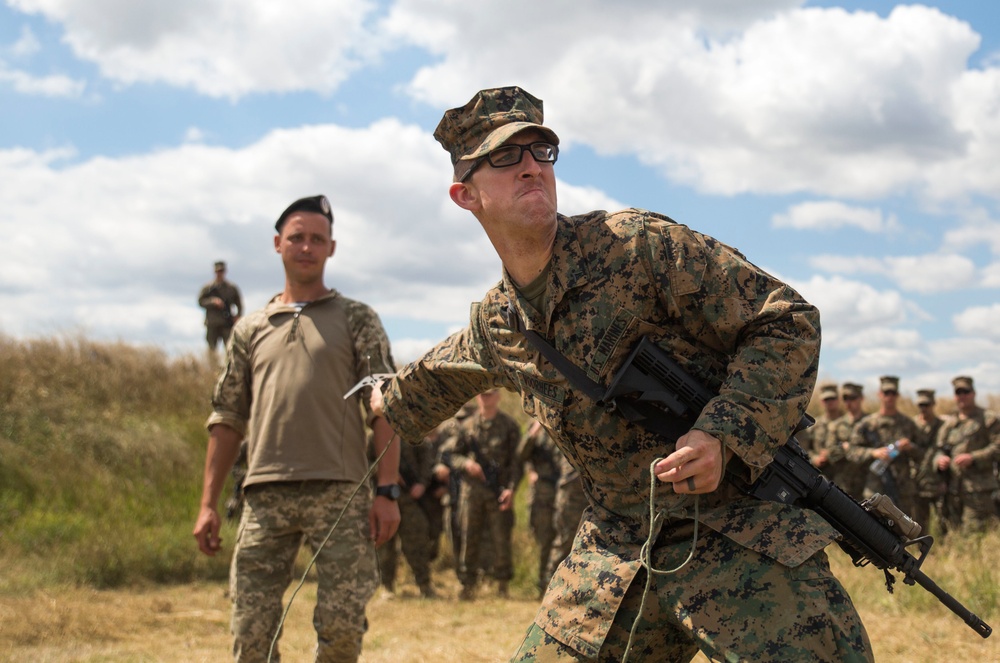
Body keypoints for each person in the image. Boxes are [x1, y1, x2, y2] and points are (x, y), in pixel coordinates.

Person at [374, 86, 871, 660]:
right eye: (505, 157)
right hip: (616, 552)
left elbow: (785, 322)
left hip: (738, 530)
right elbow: (411, 393)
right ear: (466, 195)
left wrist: (721, 435)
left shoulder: (635, 247)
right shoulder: (498, 325)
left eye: (541, 151)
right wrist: (368, 417)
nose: (532, 166)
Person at [192, 194, 401, 663]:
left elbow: (385, 407)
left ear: (331, 248)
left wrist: (388, 491)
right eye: (297, 238)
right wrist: (207, 504)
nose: (306, 247)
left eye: (317, 239)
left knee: (342, 629)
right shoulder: (250, 329)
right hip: (264, 495)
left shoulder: (356, 319)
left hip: (340, 492)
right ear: (277, 244)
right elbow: (227, 417)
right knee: (250, 634)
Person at [449, 388, 523, 600]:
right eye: (482, 394)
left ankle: (502, 585)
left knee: (501, 538)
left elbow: (516, 463)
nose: (485, 397)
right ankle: (467, 585)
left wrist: (511, 489)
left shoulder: (509, 426)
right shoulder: (467, 426)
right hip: (471, 492)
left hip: (498, 491)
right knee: (469, 538)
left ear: (498, 396)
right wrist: (467, 464)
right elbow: (453, 456)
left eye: (490, 393)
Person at [846, 376, 921, 517]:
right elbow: (851, 452)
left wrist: (910, 447)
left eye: (893, 393)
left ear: (897, 395)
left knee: (903, 531)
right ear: (880, 394)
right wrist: (873, 453)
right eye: (886, 393)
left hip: (902, 489)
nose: (890, 397)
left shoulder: (908, 423)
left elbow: (922, 454)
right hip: (875, 488)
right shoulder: (867, 424)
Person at [934, 376, 1000, 532]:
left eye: (966, 391)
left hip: (979, 491)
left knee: (976, 535)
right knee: (954, 534)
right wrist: (939, 460)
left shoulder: (988, 419)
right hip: (953, 491)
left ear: (973, 393)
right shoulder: (949, 424)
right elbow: (937, 450)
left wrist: (973, 458)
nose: (962, 396)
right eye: (958, 392)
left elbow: (997, 447)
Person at [518, 419, 563, 597]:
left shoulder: (563, 424)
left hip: (564, 490)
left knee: (563, 537)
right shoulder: (535, 427)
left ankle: (557, 583)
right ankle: (542, 585)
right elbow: (521, 454)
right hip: (542, 494)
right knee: (544, 539)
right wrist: (533, 433)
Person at [911, 389, 946, 533]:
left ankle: (945, 548)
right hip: (916, 480)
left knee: (943, 520)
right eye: (921, 405)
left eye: (927, 405)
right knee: (917, 523)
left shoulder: (943, 425)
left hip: (938, 481)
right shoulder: (911, 425)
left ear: (933, 404)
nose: (924, 409)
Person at [826, 382, 867, 499]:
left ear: (861, 398)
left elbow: (878, 452)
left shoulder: (871, 423)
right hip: (842, 485)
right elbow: (832, 453)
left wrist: (849, 449)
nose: (848, 402)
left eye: (853, 398)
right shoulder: (836, 425)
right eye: (845, 398)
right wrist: (855, 452)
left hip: (866, 485)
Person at [198, 260, 243, 361]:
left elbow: (239, 304)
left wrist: (238, 316)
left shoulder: (231, 288)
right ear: (214, 272)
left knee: (229, 348)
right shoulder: (208, 288)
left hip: (226, 323)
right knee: (211, 349)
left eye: (221, 271)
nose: (219, 273)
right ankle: (212, 370)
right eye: (218, 271)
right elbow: (200, 302)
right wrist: (212, 302)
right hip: (212, 323)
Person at [799, 381, 842, 471]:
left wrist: (830, 454)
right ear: (822, 401)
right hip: (821, 476)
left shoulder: (847, 423)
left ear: (838, 399)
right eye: (826, 399)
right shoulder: (814, 425)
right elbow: (805, 448)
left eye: (832, 398)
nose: (830, 402)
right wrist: (815, 459)